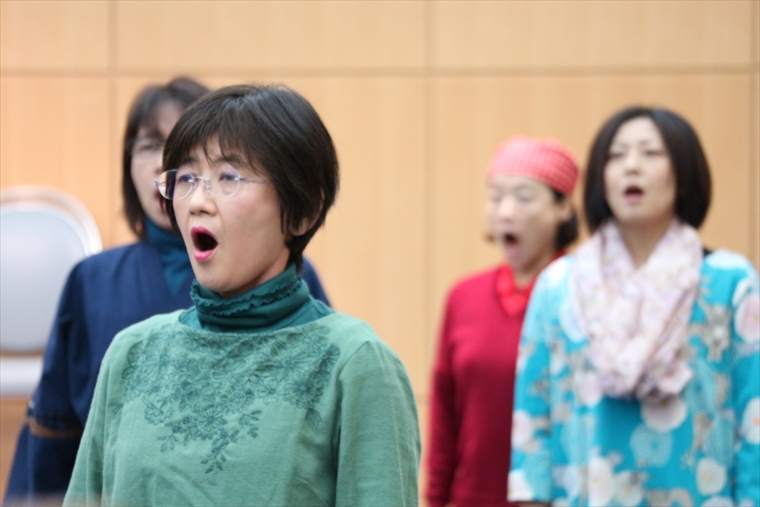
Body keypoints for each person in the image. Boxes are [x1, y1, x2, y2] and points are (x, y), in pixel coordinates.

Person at [62, 83, 420, 506]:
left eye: (228, 177)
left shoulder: (356, 363)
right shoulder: (132, 352)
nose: (198, 201)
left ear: (303, 211)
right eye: (187, 178)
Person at [3, 78, 331, 506]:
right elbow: (55, 431)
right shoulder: (92, 282)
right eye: (149, 146)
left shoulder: (289, 280)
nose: (166, 166)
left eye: (208, 163)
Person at [508, 107, 760, 507]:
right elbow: (532, 422)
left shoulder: (731, 284)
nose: (631, 166)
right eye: (617, 155)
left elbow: (754, 414)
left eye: (651, 153)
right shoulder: (558, 286)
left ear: (684, 174)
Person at [427, 137, 579, 507]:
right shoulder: (464, 296)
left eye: (524, 197)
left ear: (562, 208)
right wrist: (435, 499)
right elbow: (444, 416)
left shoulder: (583, 294)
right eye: (496, 197)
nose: (505, 212)